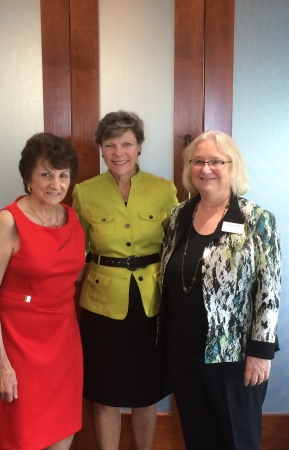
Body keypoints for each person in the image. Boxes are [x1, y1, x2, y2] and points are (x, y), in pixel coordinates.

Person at [159, 130, 281, 450]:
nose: (205, 168)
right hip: (183, 354)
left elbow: (270, 288)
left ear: (232, 166)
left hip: (235, 357)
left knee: (236, 440)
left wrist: (261, 352)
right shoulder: (177, 216)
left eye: (216, 161)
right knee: (198, 439)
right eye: (198, 161)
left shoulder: (257, 219)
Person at [72, 111, 178, 450]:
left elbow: (177, 248)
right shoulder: (84, 192)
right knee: (105, 394)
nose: (119, 152)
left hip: (151, 303)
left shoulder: (165, 190)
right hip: (102, 305)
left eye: (127, 144)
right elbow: (75, 250)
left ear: (140, 147)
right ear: (101, 150)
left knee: (146, 393)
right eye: (110, 144)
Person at [0, 133, 85, 450]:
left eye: (63, 175)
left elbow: (68, 274)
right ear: (28, 177)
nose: (56, 183)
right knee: (23, 438)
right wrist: (2, 364)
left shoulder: (72, 219)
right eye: (46, 174)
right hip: (20, 346)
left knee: (64, 429)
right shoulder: (9, 221)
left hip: (64, 341)